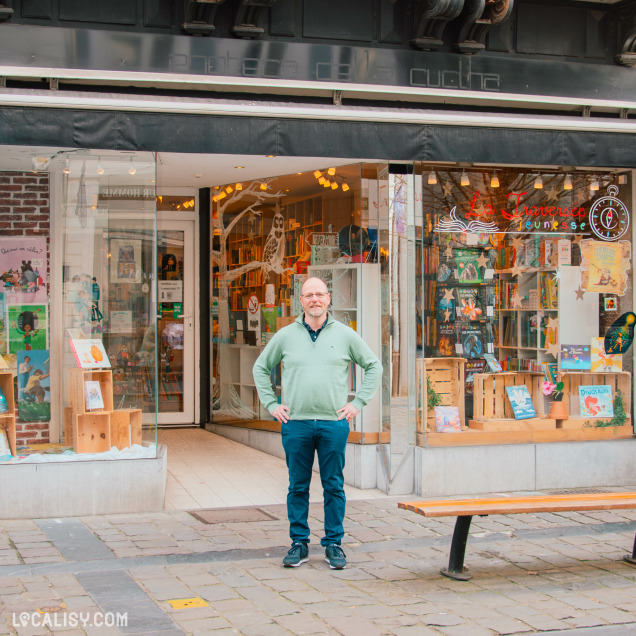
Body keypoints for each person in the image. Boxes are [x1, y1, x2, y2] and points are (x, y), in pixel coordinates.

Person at [253, 276, 381, 570]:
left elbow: (374, 365)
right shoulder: (285, 336)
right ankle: (299, 542)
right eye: (309, 295)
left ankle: (334, 543)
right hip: (295, 423)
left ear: (328, 299)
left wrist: (357, 403)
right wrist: (272, 404)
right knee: (297, 485)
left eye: (319, 295)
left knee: (333, 485)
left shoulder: (346, 335)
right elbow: (261, 367)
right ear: (301, 301)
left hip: (333, 423)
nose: (314, 300)